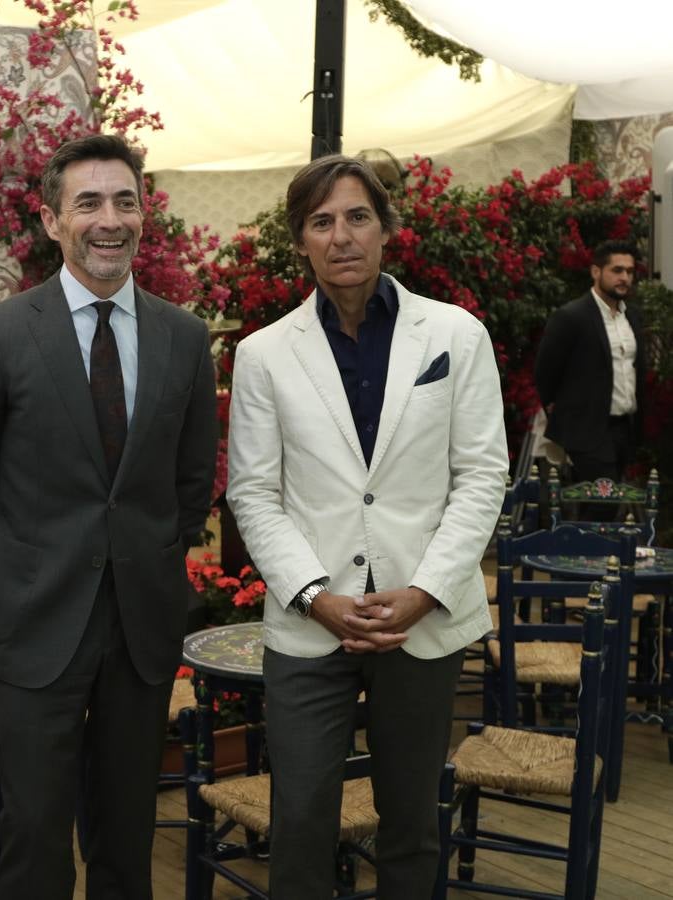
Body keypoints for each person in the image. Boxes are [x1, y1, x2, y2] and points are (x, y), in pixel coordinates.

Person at [0, 133, 218, 899]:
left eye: (124, 201)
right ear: (52, 220)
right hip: (32, 622)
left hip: (140, 627)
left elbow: (192, 480)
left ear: (143, 214)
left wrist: (150, 551)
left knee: (128, 827)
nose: (108, 218)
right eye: (87, 202)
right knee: (32, 832)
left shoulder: (184, 339)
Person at [225, 154, 507, 898]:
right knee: (300, 818)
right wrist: (315, 595)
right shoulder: (262, 354)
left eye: (356, 217)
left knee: (411, 822)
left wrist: (423, 590)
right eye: (321, 222)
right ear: (301, 240)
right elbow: (253, 494)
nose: (340, 236)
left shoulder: (455, 335)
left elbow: (481, 476)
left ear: (385, 229)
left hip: (422, 618)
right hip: (310, 621)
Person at [534, 239, 647, 484]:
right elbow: (545, 372)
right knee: (602, 505)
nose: (624, 278)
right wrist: (562, 413)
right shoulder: (571, 316)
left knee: (611, 505)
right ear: (596, 271)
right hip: (587, 430)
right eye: (617, 270)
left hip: (625, 428)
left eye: (629, 271)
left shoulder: (633, 317)